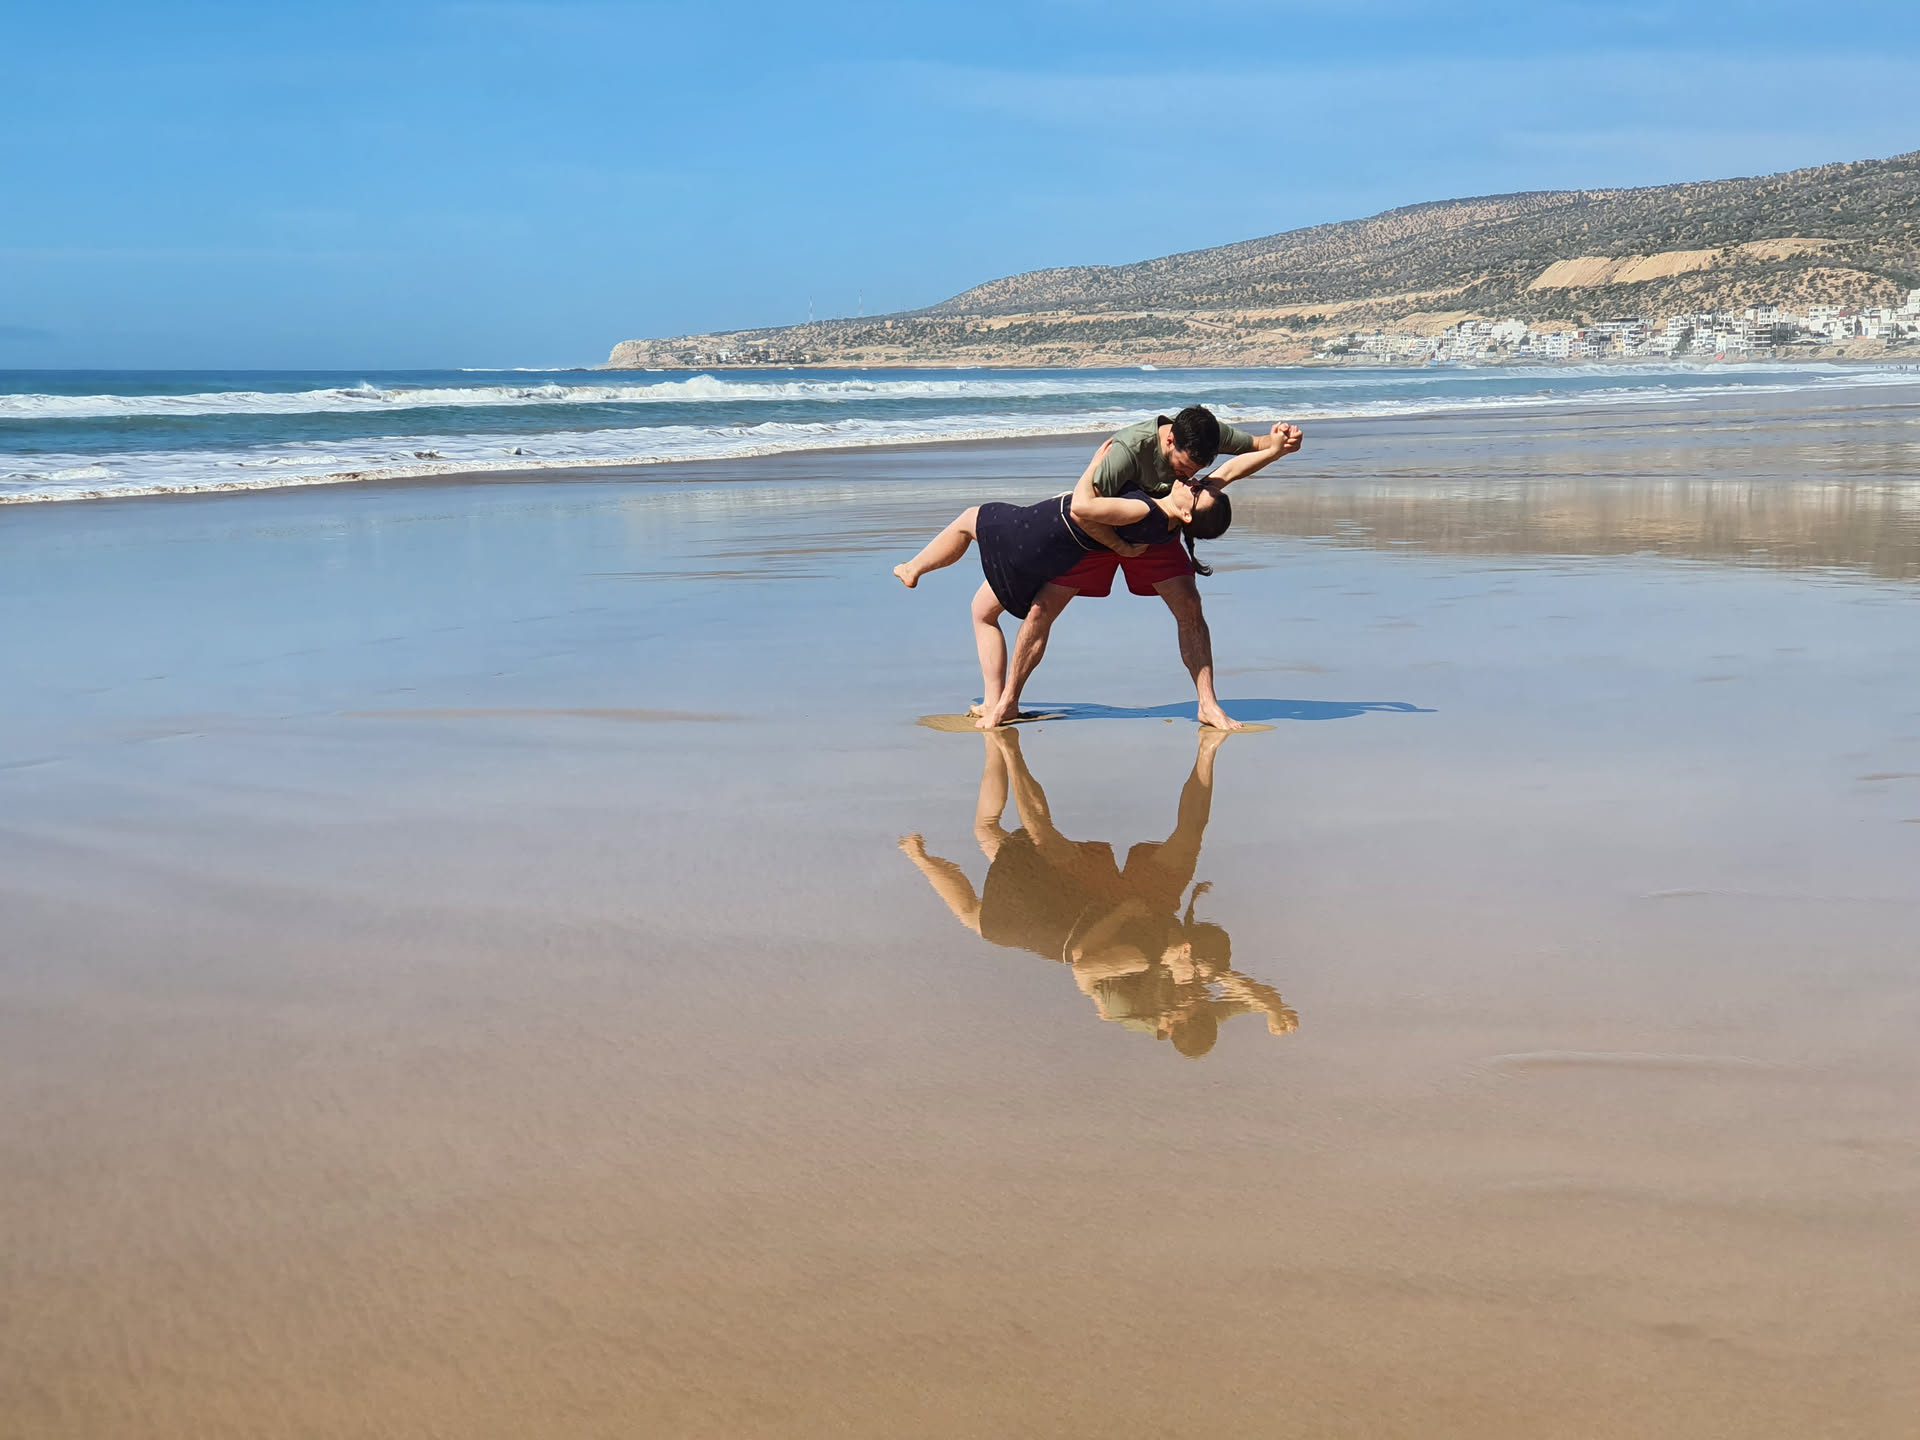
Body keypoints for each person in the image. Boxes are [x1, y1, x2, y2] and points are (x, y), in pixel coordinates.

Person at [898, 726, 1297, 1058]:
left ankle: (1005, 745)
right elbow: (1238, 991)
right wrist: (1272, 1007)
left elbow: (1084, 967)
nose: (1194, 997)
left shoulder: (1139, 1008)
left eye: (1187, 1007)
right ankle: (1208, 747)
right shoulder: (1201, 1003)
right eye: (1200, 1003)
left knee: (1014, 848)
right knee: (1188, 837)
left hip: (1092, 915)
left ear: (1170, 1025)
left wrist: (1150, 949)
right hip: (1146, 905)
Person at [893, 440, 1233, 728]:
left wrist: (1094, 466)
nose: (1193, 483)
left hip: (1038, 531)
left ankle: (913, 568)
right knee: (982, 610)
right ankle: (996, 700)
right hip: (1057, 547)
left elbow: (1081, 509)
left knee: (970, 518)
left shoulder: (1145, 511)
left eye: (1197, 492)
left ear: (1187, 515)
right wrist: (1263, 447)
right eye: (1199, 484)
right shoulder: (1164, 521)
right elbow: (1231, 470)